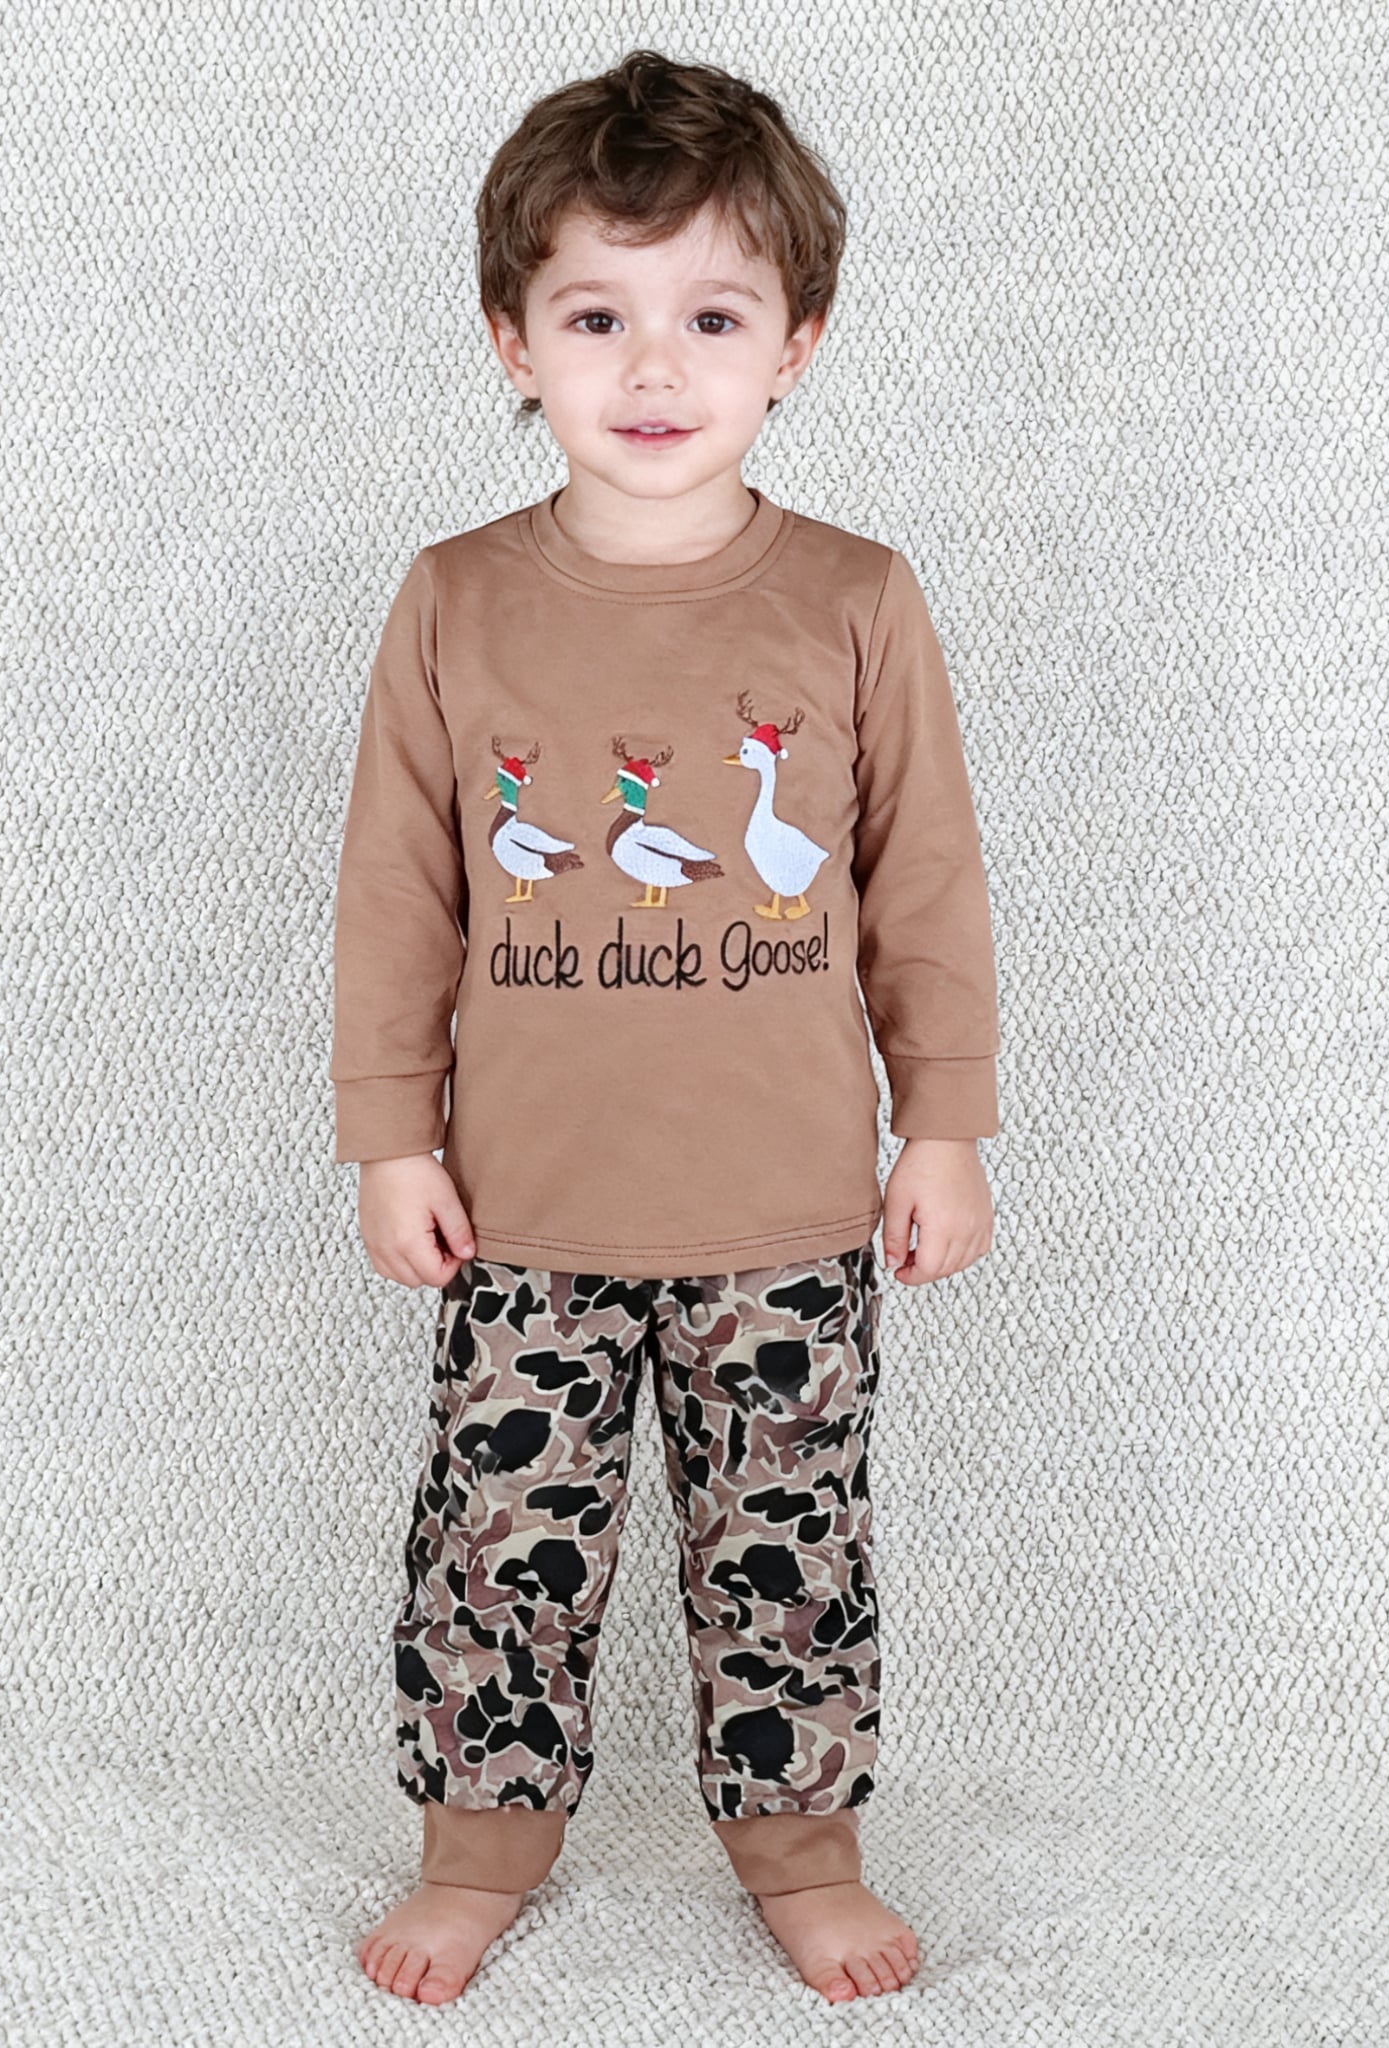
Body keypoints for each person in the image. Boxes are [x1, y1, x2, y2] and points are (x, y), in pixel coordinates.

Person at [330, 48, 1001, 2009]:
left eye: (710, 317)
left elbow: (926, 882)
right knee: (498, 1545)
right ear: (511, 338)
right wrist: (391, 1135)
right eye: (595, 315)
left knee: (786, 1546)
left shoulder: (857, 599)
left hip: (785, 1216)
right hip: (524, 1208)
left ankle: (801, 1852)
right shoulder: (454, 602)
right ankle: (477, 1847)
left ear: (796, 342)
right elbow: (399, 893)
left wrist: (942, 1123)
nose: (651, 366)